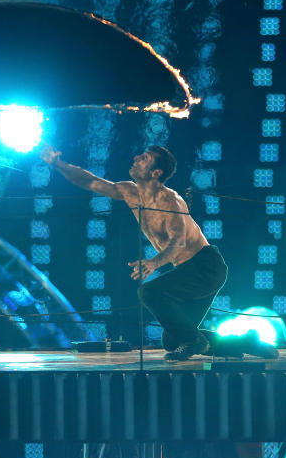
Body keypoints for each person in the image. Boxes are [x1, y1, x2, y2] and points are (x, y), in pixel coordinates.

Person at [41, 144, 229, 360]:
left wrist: (153, 263)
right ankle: (248, 343)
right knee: (173, 340)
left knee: (148, 292)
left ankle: (194, 341)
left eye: (145, 158)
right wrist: (58, 164)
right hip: (189, 271)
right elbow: (91, 182)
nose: (137, 157)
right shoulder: (129, 192)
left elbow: (178, 240)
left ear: (155, 172)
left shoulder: (170, 201)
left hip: (205, 267)